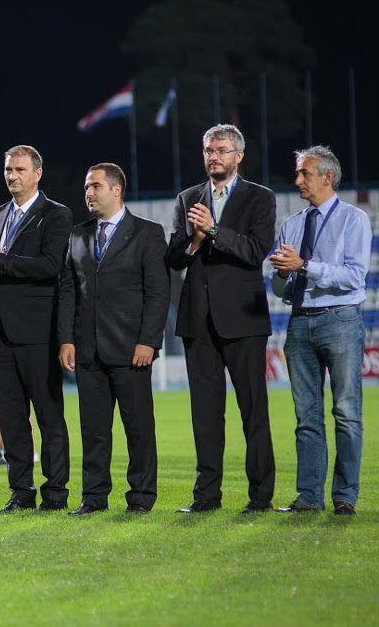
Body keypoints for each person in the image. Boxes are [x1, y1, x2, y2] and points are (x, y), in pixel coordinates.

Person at [166, 124, 276, 514]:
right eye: (209, 150)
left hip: (244, 321)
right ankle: (206, 497)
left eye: (222, 150)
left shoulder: (259, 198)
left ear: (239, 156)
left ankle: (260, 498)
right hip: (199, 321)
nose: (214, 156)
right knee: (205, 416)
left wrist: (213, 230)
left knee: (253, 412)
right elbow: (175, 257)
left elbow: (255, 250)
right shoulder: (188, 198)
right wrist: (195, 239)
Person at [0, 145, 72, 513]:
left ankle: (55, 493)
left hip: (38, 333)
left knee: (48, 415)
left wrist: (0, 263)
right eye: (8, 169)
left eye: (20, 169)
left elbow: (49, 266)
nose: (12, 175)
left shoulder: (56, 215)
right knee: (11, 419)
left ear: (37, 173)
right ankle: (20, 493)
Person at [58, 163, 169, 515]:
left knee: (138, 429)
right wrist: (66, 339)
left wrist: (148, 341)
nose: (89, 193)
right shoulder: (78, 234)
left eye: (96, 186)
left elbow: (157, 293)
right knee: (93, 432)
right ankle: (93, 498)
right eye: (87, 187)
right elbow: (69, 291)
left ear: (117, 189)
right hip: (88, 350)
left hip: (131, 349)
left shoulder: (148, 233)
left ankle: (140, 498)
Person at [268, 145, 371, 516]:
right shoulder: (292, 224)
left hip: (341, 319)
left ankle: (345, 496)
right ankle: (308, 497)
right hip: (299, 321)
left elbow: (354, 276)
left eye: (304, 174)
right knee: (306, 415)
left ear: (328, 177)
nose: (298, 180)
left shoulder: (354, 219)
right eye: (298, 173)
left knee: (346, 412)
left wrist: (305, 265)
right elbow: (280, 289)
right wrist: (282, 275)